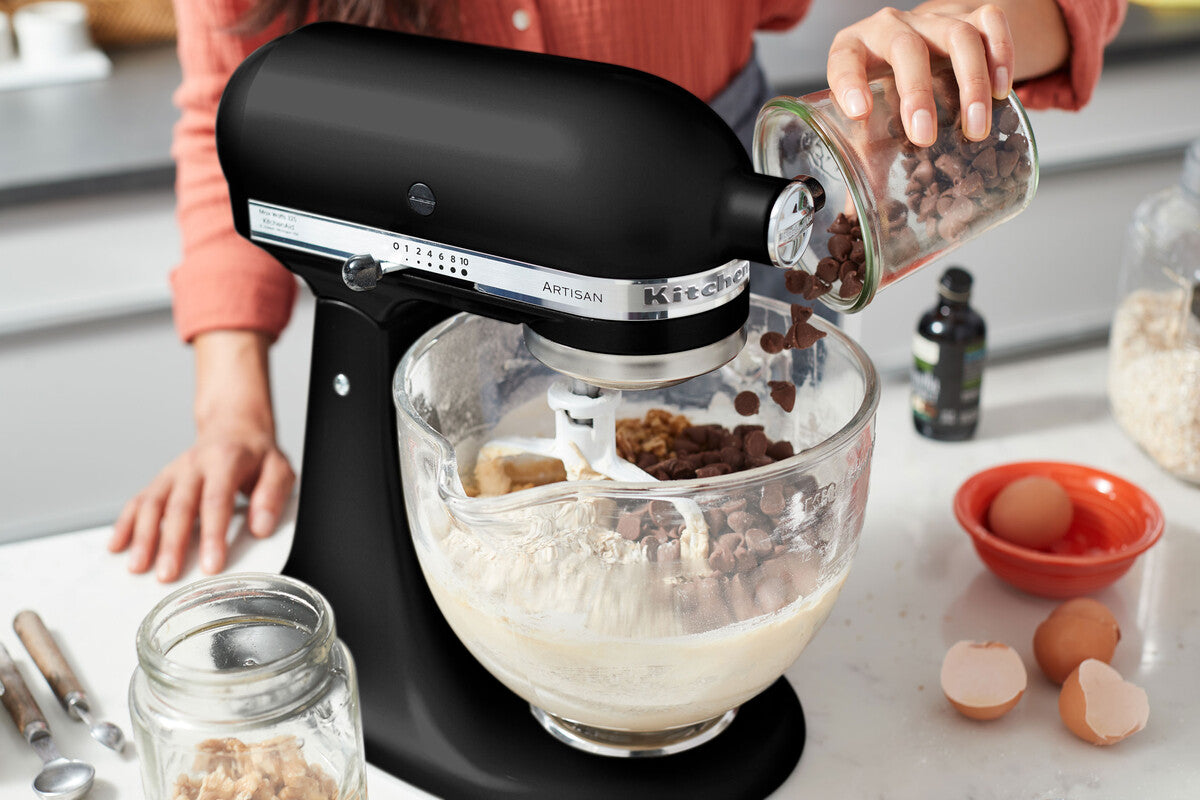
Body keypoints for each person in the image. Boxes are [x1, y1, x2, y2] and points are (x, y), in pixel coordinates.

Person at [110, 0, 1126, 582]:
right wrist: (232, 410)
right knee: (498, 554)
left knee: (719, 557)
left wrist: (983, 33)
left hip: (708, 265)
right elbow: (239, 113)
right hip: (435, 276)